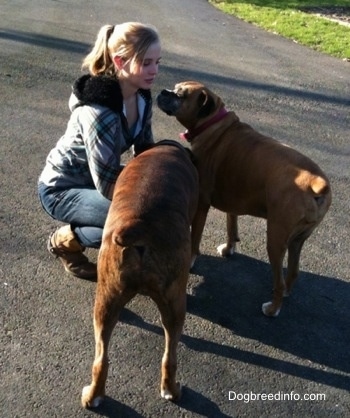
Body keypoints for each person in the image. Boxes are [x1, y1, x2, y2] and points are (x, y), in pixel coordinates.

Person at [38, 22, 161, 280]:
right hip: (62, 188)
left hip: (95, 182)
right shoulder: (99, 111)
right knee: (135, 221)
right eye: (147, 62)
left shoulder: (142, 96)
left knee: (152, 213)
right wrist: (145, 199)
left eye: (158, 62)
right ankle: (66, 241)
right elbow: (106, 184)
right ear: (120, 61)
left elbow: (145, 151)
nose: (155, 70)